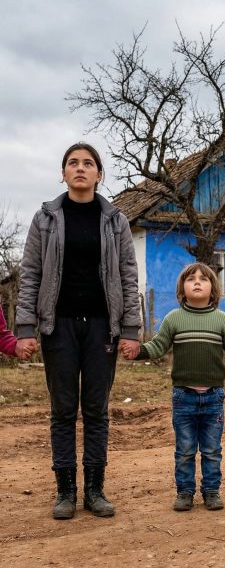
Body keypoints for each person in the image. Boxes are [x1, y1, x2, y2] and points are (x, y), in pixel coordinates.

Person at [16, 142, 141, 520]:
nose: (80, 168)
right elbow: (30, 274)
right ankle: (65, 492)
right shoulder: (45, 219)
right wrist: (26, 327)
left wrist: (130, 328)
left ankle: (95, 490)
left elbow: (128, 276)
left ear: (99, 174)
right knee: (63, 410)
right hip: (58, 327)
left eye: (88, 163)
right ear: (64, 173)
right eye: (73, 163)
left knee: (97, 411)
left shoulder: (116, 221)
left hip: (103, 327)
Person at [122, 262, 225, 512]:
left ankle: (211, 492)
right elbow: (158, 346)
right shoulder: (174, 319)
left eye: (203, 279)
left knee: (212, 450)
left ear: (213, 289)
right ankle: (185, 493)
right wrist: (137, 351)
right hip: (183, 397)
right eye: (191, 279)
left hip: (213, 398)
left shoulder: (221, 320)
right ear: (181, 289)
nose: (197, 282)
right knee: (184, 450)